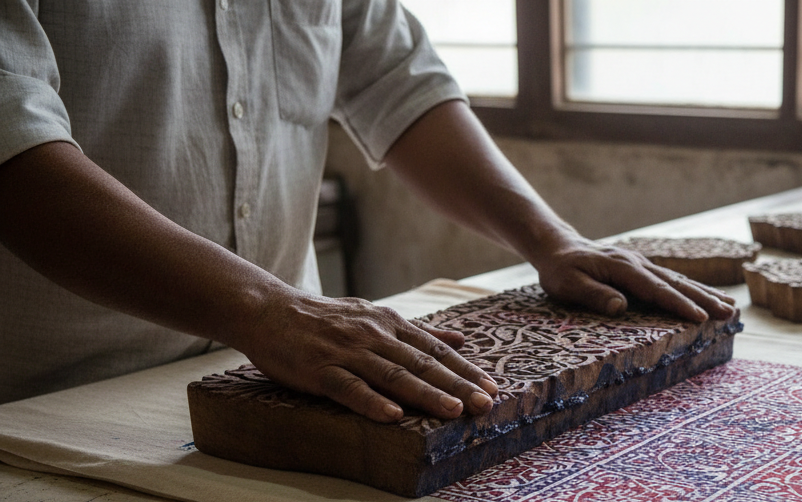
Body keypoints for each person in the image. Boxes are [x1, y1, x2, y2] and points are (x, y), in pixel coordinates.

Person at [0, 1, 734, 423]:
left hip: (287, 376)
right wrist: (261, 308)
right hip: (57, 403)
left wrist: (552, 240)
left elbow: (397, 81)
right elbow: (15, 151)